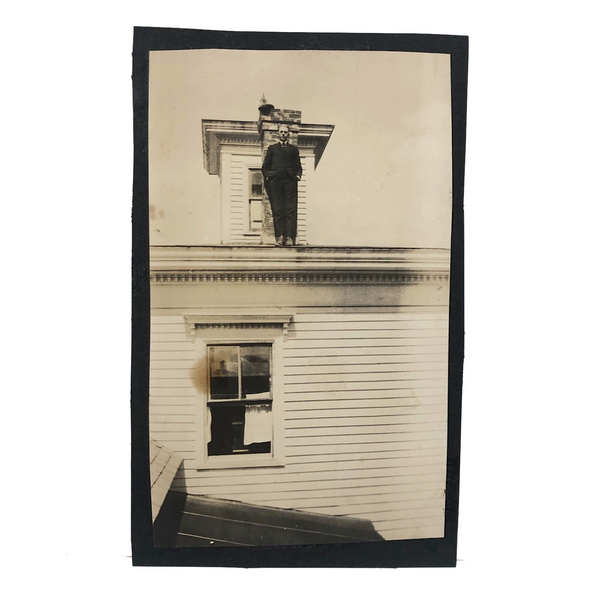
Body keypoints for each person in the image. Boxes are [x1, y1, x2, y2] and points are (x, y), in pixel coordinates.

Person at [261, 124, 302, 246]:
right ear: (278, 134)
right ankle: (280, 237)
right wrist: (269, 176)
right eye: (281, 132)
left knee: (290, 209)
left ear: (288, 134)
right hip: (276, 181)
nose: (283, 134)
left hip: (290, 180)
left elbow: (298, 166)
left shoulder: (293, 149)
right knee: (278, 209)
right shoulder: (272, 148)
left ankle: (289, 237)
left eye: (285, 132)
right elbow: (265, 167)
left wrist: (297, 176)